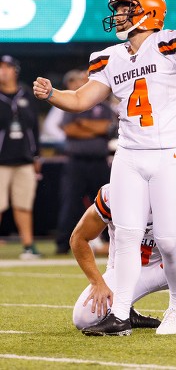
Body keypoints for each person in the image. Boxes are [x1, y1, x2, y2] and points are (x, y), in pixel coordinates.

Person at [33, 0, 176, 335]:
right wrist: (53, 94)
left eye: (124, 7)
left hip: (170, 154)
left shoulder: (170, 42)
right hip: (130, 154)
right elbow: (80, 99)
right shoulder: (109, 57)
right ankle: (119, 315)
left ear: (146, 11)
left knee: (167, 239)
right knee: (130, 236)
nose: (118, 14)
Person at [71, 183, 176, 334]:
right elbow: (78, 238)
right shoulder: (114, 195)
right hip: (124, 271)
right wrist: (97, 282)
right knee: (83, 318)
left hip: (166, 266)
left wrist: (174, 277)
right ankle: (126, 310)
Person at [54, 69, 114, 255]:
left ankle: (111, 241)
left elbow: (108, 127)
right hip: (76, 162)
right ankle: (64, 243)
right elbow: (70, 130)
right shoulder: (74, 103)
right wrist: (96, 130)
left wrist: (85, 126)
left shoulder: (104, 107)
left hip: (99, 162)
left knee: (107, 203)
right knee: (70, 202)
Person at [0, 55, 41, 259]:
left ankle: (28, 245)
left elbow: (35, 129)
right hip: (1, 160)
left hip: (24, 159)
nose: (3, 71)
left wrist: (37, 157)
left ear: (15, 70)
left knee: (24, 205)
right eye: (0, 67)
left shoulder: (27, 93)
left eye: (6, 67)